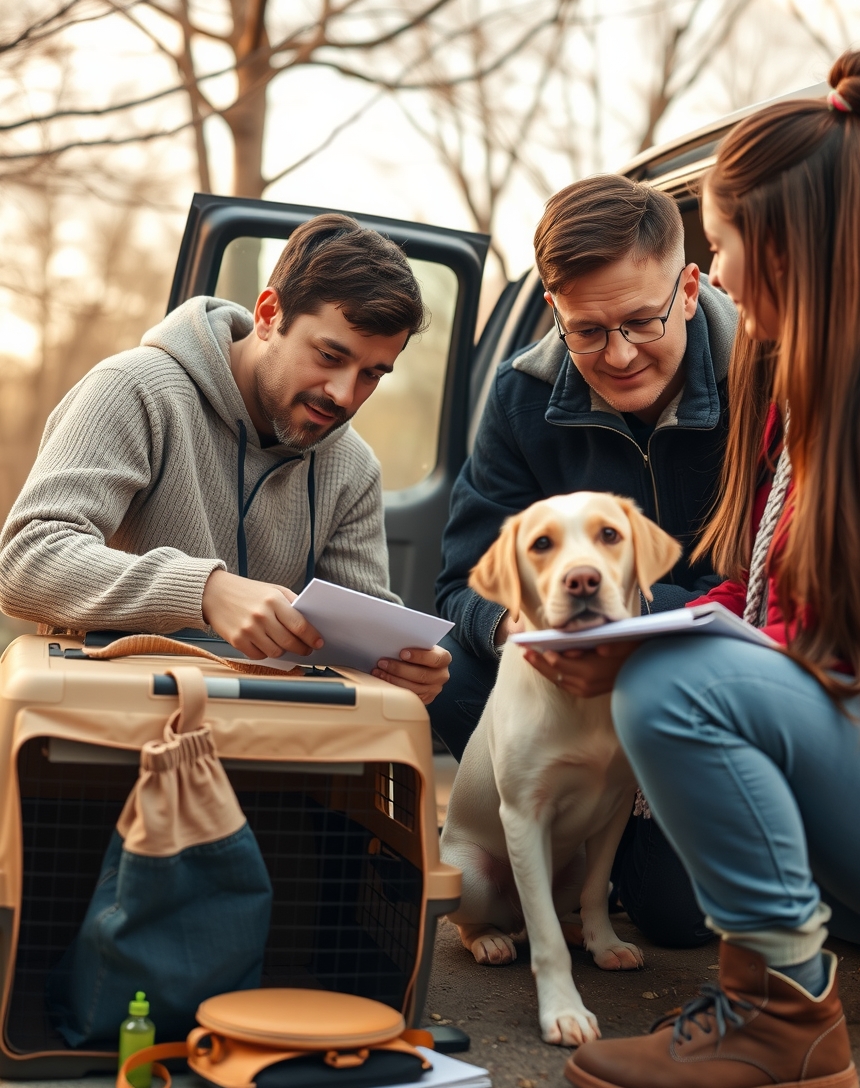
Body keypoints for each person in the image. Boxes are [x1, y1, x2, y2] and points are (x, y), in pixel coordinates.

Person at [566, 50, 860, 1088]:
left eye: (720, 245)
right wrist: (653, 627)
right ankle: (768, 1001)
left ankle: (779, 1026)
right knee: (664, 665)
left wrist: (755, 656)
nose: (714, 276)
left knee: (678, 685)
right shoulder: (802, 393)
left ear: (789, 247)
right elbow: (768, 594)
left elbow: (829, 638)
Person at [433, 174, 739, 949]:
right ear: (553, 309)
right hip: (556, 690)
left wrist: (630, 624)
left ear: (690, 288)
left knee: (675, 919)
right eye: (588, 330)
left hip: (701, 676)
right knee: (447, 664)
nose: (620, 353)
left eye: (641, 321)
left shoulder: (766, 379)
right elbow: (460, 583)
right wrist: (519, 626)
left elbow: (766, 587)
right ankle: (553, 827)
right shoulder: (521, 399)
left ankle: (624, 844)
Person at [0, 213, 450, 705]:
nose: (344, 394)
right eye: (329, 356)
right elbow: (24, 562)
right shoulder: (135, 390)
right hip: (116, 714)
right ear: (268, 314)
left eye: (372, 375)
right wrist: (206, 591)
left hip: (272, 728)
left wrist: (402, 667)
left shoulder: (353, 467)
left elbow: (360, 637)